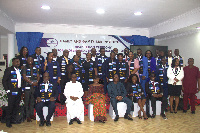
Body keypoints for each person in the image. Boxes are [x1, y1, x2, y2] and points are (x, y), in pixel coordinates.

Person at [2, 58, 22, 127]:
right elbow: (4, 81)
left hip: (18, 90)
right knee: (10, 107)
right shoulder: (9, 70)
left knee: (16, 106)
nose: (18, 63)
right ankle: (8, 122)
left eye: (18, 61)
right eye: (16, 62)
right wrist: (7, 90)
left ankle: (13, 120)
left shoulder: (19, 70)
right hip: (12, 92)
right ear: (12, 62)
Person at [22, 56, 40, 122]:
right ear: (27, 60)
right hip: (27, 86)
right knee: (27, 101)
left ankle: (32, 114)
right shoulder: (24, 67)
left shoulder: (35, 67)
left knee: (32, 101)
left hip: (34, 87)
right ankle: (27, 116)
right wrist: (32, 82)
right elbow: (24, 77)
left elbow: (38, 76)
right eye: (29, 59)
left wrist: (37, 82)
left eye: (31, 60)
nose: (30, 61)